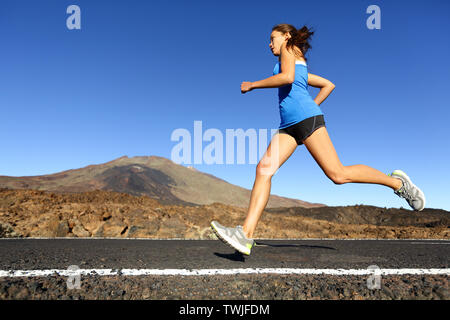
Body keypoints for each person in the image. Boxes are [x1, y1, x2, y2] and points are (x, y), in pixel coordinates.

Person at [210, 23, 426, 256]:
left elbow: (287, 77)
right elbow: (327, 84)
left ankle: (398, 184)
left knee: (338, 174)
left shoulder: (289, 50)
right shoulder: (294, 59)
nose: (269, 43)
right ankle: (246, 234)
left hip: (305, 120)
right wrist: (313, 103)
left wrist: (253, 85)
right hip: (288, 126)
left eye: (273, 38)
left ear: (286, 36)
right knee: (264, 169)